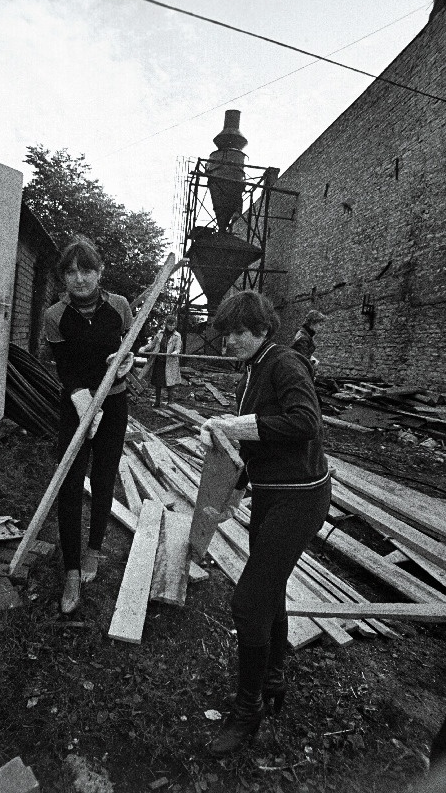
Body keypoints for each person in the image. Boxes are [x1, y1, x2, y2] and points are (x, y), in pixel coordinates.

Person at [199, 290, 331, 756]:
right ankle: (274, 675)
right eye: (226, 332)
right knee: (269, 589)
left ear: (261, 329)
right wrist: (232, 498)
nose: (230, 340)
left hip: (300, 499)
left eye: (240, 331)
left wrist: (234, 427)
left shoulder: (285, 364)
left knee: (248, 604)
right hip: (270, 498)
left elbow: (306, 423)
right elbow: (252, 448)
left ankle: (247, 709)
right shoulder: (250, 374)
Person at [44, 237, 134, 615]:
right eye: (71, 271)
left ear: (100, 273)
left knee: (103, 477)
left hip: (114, 402)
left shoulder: (119, 307)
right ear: (63, 276)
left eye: (87, 270)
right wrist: (83, 401)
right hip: (76, 403)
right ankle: (71, 570)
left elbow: (130, 344)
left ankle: (94, 548)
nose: (79, 279)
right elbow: (65, 367)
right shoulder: (55, 316)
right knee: (69, 479)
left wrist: (128, 362)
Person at [139, 314, 182, 408]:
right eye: (170, 325)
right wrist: (144, 348)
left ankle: (170, 402)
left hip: (170, 362)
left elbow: (178, 348)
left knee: (170, 383)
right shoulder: (160, 334)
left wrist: (175, 352)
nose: (171, 327)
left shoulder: (177, 336)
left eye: (173, 325)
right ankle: (157, 401)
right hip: (159, 361)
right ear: (166, 324)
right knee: (158, 382)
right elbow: (152, 345)